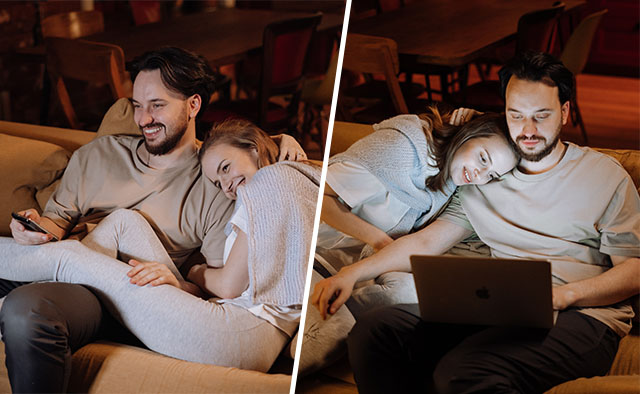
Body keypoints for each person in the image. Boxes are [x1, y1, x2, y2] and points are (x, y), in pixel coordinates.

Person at [314, 50, 640, 393]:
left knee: (463, 371)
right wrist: (350, 274)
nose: (528, 130)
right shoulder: (486, 179)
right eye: (517, 116)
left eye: (541, 116)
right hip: (503, 309)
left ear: (565, 112)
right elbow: (426, 242)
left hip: (585, 318)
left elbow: (634, 269)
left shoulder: (605, 177)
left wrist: (563, 296)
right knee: (376, 331)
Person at [0, 47, 306, 393]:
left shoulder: (217, 183)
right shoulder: (99, 154)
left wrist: (280, 147)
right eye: (137, 106)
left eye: (157, 105)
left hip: (114, 297)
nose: (143, 118)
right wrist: (32, 230)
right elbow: (54, 224)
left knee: (30, 305)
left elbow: (220, 290)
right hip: (66, 260)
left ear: (193, 105)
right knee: (120, 222)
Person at [298, 108, 518, 374]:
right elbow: (318, 197)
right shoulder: (399, 150)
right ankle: (310, 314)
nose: (480, 175)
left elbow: (426, 243)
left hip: (365, 259)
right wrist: (379, 240)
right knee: (321, 344)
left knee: (419, 293)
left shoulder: (456, 180)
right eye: (483, 159)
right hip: (318, 244)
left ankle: (322, 308)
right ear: (467, 134)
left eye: (491, 175)